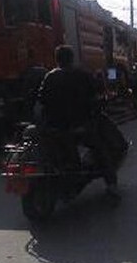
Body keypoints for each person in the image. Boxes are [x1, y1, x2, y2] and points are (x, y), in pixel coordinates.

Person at [38, 45, 120, 198]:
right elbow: (97, 94)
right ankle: (111, 184)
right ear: (72, 59)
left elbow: (41, 100)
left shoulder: (49, 77)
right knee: (101, 149)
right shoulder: (82, 75)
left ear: (57, 60)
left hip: (55, 127)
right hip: (80, 125)